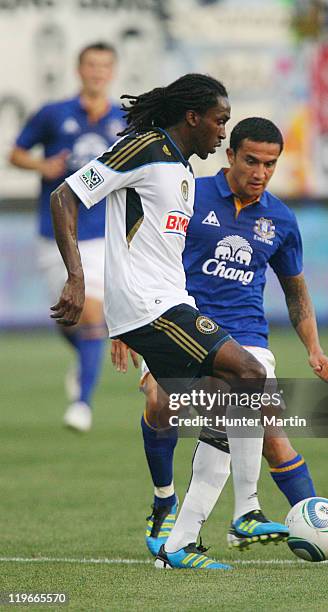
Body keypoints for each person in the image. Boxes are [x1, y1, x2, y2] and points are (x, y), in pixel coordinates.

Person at [49, 74, 291, 570]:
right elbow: (65, 196)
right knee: (250, 375)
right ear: (193, 117)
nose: (224, 133)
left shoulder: (179, 170)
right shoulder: (143, 148)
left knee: (226, 395)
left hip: (165, 304)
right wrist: (77, 278)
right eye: (221, 121)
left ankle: (179, 524)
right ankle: (224, 519)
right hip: (150, 307)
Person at [112, 117, 328, 559]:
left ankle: (313, 530)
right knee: (161, 402)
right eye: (251, 160)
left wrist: (313, 346)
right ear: (230, 155)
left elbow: (296, 290)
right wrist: (125, 325)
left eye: (270, 164)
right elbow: (138, 253)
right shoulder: (188, 194)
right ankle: (167, 500)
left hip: (247, 337)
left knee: (268, 432)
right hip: (177, 324)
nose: (260, 172)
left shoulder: (280, 219)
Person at [9, 42, 124, 432]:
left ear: (112, 72)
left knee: (90, 312)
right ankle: (85, 360)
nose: (97, 72)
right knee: (67, 317)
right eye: (91, 64)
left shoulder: (124, 120)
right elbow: (16, 153)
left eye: (104, 66)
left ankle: (82, 404)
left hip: (98, 234)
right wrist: (41, 164)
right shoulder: (53, 114)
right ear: (79, 70)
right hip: (54, 233)